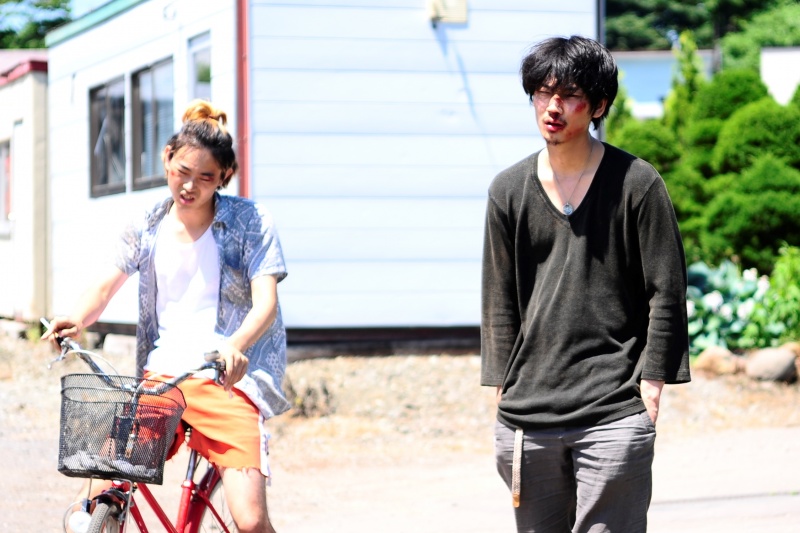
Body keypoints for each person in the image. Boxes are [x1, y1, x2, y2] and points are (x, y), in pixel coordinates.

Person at [45, 99, 288, 533]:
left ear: (224, 176)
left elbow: (265, 302)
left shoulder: (250, 220)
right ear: (167, 158)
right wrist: (76, 320)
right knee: (101, 484)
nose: (190, 186)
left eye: (206, 177)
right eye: (182, 171)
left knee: (251, 521)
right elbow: (104, 286)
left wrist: (235, 345)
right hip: (163, 379)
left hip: (226, 381)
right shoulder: (146, 224)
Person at [481, 36, 691, 533]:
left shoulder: (637, 183)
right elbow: (499, 298)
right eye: (542, 92)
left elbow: (667, 290)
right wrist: (502, 391)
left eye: (569, 95)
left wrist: (652, 386)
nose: (552, 107)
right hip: (528, 417)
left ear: (598, 105)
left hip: (614, 409)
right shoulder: (507, 190)